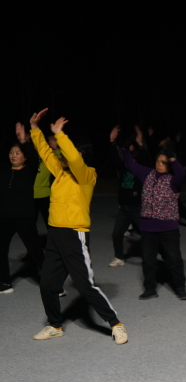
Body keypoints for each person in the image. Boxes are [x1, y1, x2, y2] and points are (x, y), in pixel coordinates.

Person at [29, 109, 128, 344]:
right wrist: (35, 130)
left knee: (85, 286)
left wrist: (60, 135)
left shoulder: (87, 175)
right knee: (47, 285)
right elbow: (45, 152)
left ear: (79, 153)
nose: (60, 154)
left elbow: (74, 159)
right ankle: (55, 325)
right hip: (55, 233)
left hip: (75, 234)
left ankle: (116, 324)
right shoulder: (60, 172)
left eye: (66, 150)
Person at [119, 137, 186, 301]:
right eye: (158, 161)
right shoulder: (147, 174)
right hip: (148, 228)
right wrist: (125, 149)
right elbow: (131, 165)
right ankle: (150, 289)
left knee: (174, 259)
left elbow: (181, 173)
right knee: (148, 261)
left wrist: (173, 158)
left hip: (168, 229)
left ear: (169, 165)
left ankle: (180, 288)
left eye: (164, 162)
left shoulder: (173, 180)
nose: (159, 164)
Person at [1, 123, 45, 294]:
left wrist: (23, 141)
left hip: (25, 219)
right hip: (4, 219)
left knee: (36, 251)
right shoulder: (4, 171)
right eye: (11, 152)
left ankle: (52, 283)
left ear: (25, 158)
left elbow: (34, 155)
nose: (13, 155)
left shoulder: (29, 171)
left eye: (17, 153)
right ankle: (4, 282)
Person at [107, 125, 143, 267]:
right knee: (117, 234)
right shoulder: (123, 168)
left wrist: (140, 143)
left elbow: (145, 157)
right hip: (124, 209)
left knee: (148, 234)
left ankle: (159, 254)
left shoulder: (141, 170)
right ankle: (119, 258)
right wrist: (112, 141)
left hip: (137, 208)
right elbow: (115, 156)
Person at [33, 134, 57, 232]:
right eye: (35, 145)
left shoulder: (49, 159)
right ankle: (33, 240)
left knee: (49, 221)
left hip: (45, 195)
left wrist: (55, 145)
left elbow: (60, 154)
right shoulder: (29, 160)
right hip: (30, 196)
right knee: (30, 223)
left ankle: (52, 239)